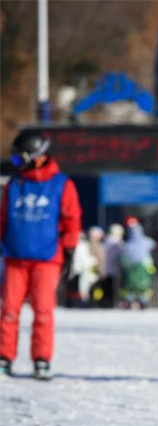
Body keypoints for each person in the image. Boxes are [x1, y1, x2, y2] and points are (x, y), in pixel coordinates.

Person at [0, 131, 81, 379]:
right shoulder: (14, 184)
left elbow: (72, 220)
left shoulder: (61, 184)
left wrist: (69, 250)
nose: (17, 164)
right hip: (15, 257)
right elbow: (3, 219)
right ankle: (4, 357)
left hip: (47, 259)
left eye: (20, 158)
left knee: (43, 311)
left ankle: (41, 359)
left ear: (38, 156)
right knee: (9, 310)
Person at [120, 217, 156, 309]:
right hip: (145, 267)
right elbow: (154, 245)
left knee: (131, 287)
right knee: (144, 287)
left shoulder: (128, 244)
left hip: (132, 267)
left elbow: (124, 256)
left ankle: (129, 300)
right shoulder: (146, 241)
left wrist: (125, 265)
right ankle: (143, 301)